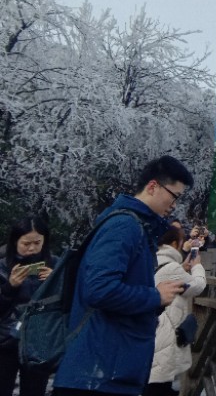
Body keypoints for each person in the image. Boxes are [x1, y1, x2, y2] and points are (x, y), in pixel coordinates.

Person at [53, 155, 194, 396]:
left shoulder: (138, 227)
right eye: (174, 196)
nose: (174, 205)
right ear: (153, 186)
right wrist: (154, 297)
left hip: (109, 368)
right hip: (99, 371)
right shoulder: (124, 226)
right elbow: (99, 289)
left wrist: (154, 302)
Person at [145, 227, 206, 396]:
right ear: (174, 243)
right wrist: (197, 267)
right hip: (165, 333)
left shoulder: (153, 260)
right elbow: (197, 286)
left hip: (151, 327)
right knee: (160, 383)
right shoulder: (171, 267)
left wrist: (182, 267)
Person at [0, 217, 55, 396]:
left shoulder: (55, 264)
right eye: (26, 243)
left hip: (39, 340)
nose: (32, 248)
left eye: (37, 242)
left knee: (34, 390)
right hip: (5, 339)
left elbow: (66, 305)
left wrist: (56, 283)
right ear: (15, 241)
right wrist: (9, 287)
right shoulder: (2, 265)